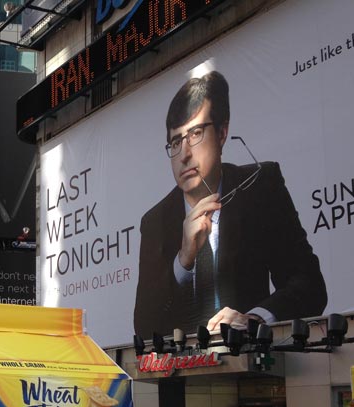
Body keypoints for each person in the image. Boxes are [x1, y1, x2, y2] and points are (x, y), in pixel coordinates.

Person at [133, 70, 326, 339]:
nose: (184, 154)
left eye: (196, 133)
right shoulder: (155, 221)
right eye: (176, 141)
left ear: (222, 132)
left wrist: (254, 319)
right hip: (184, 373)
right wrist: (183, 260)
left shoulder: (260, 185)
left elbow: (310, 286)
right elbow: (144, 328)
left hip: (251, 365)